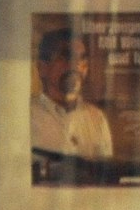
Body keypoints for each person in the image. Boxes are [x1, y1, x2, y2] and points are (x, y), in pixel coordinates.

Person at [30, 27, 115, 178]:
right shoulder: (26, 116)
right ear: (42, 68)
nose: (76, 66)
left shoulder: (97, 118)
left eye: (82, 59)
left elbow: (106, 177)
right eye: (66, 57)